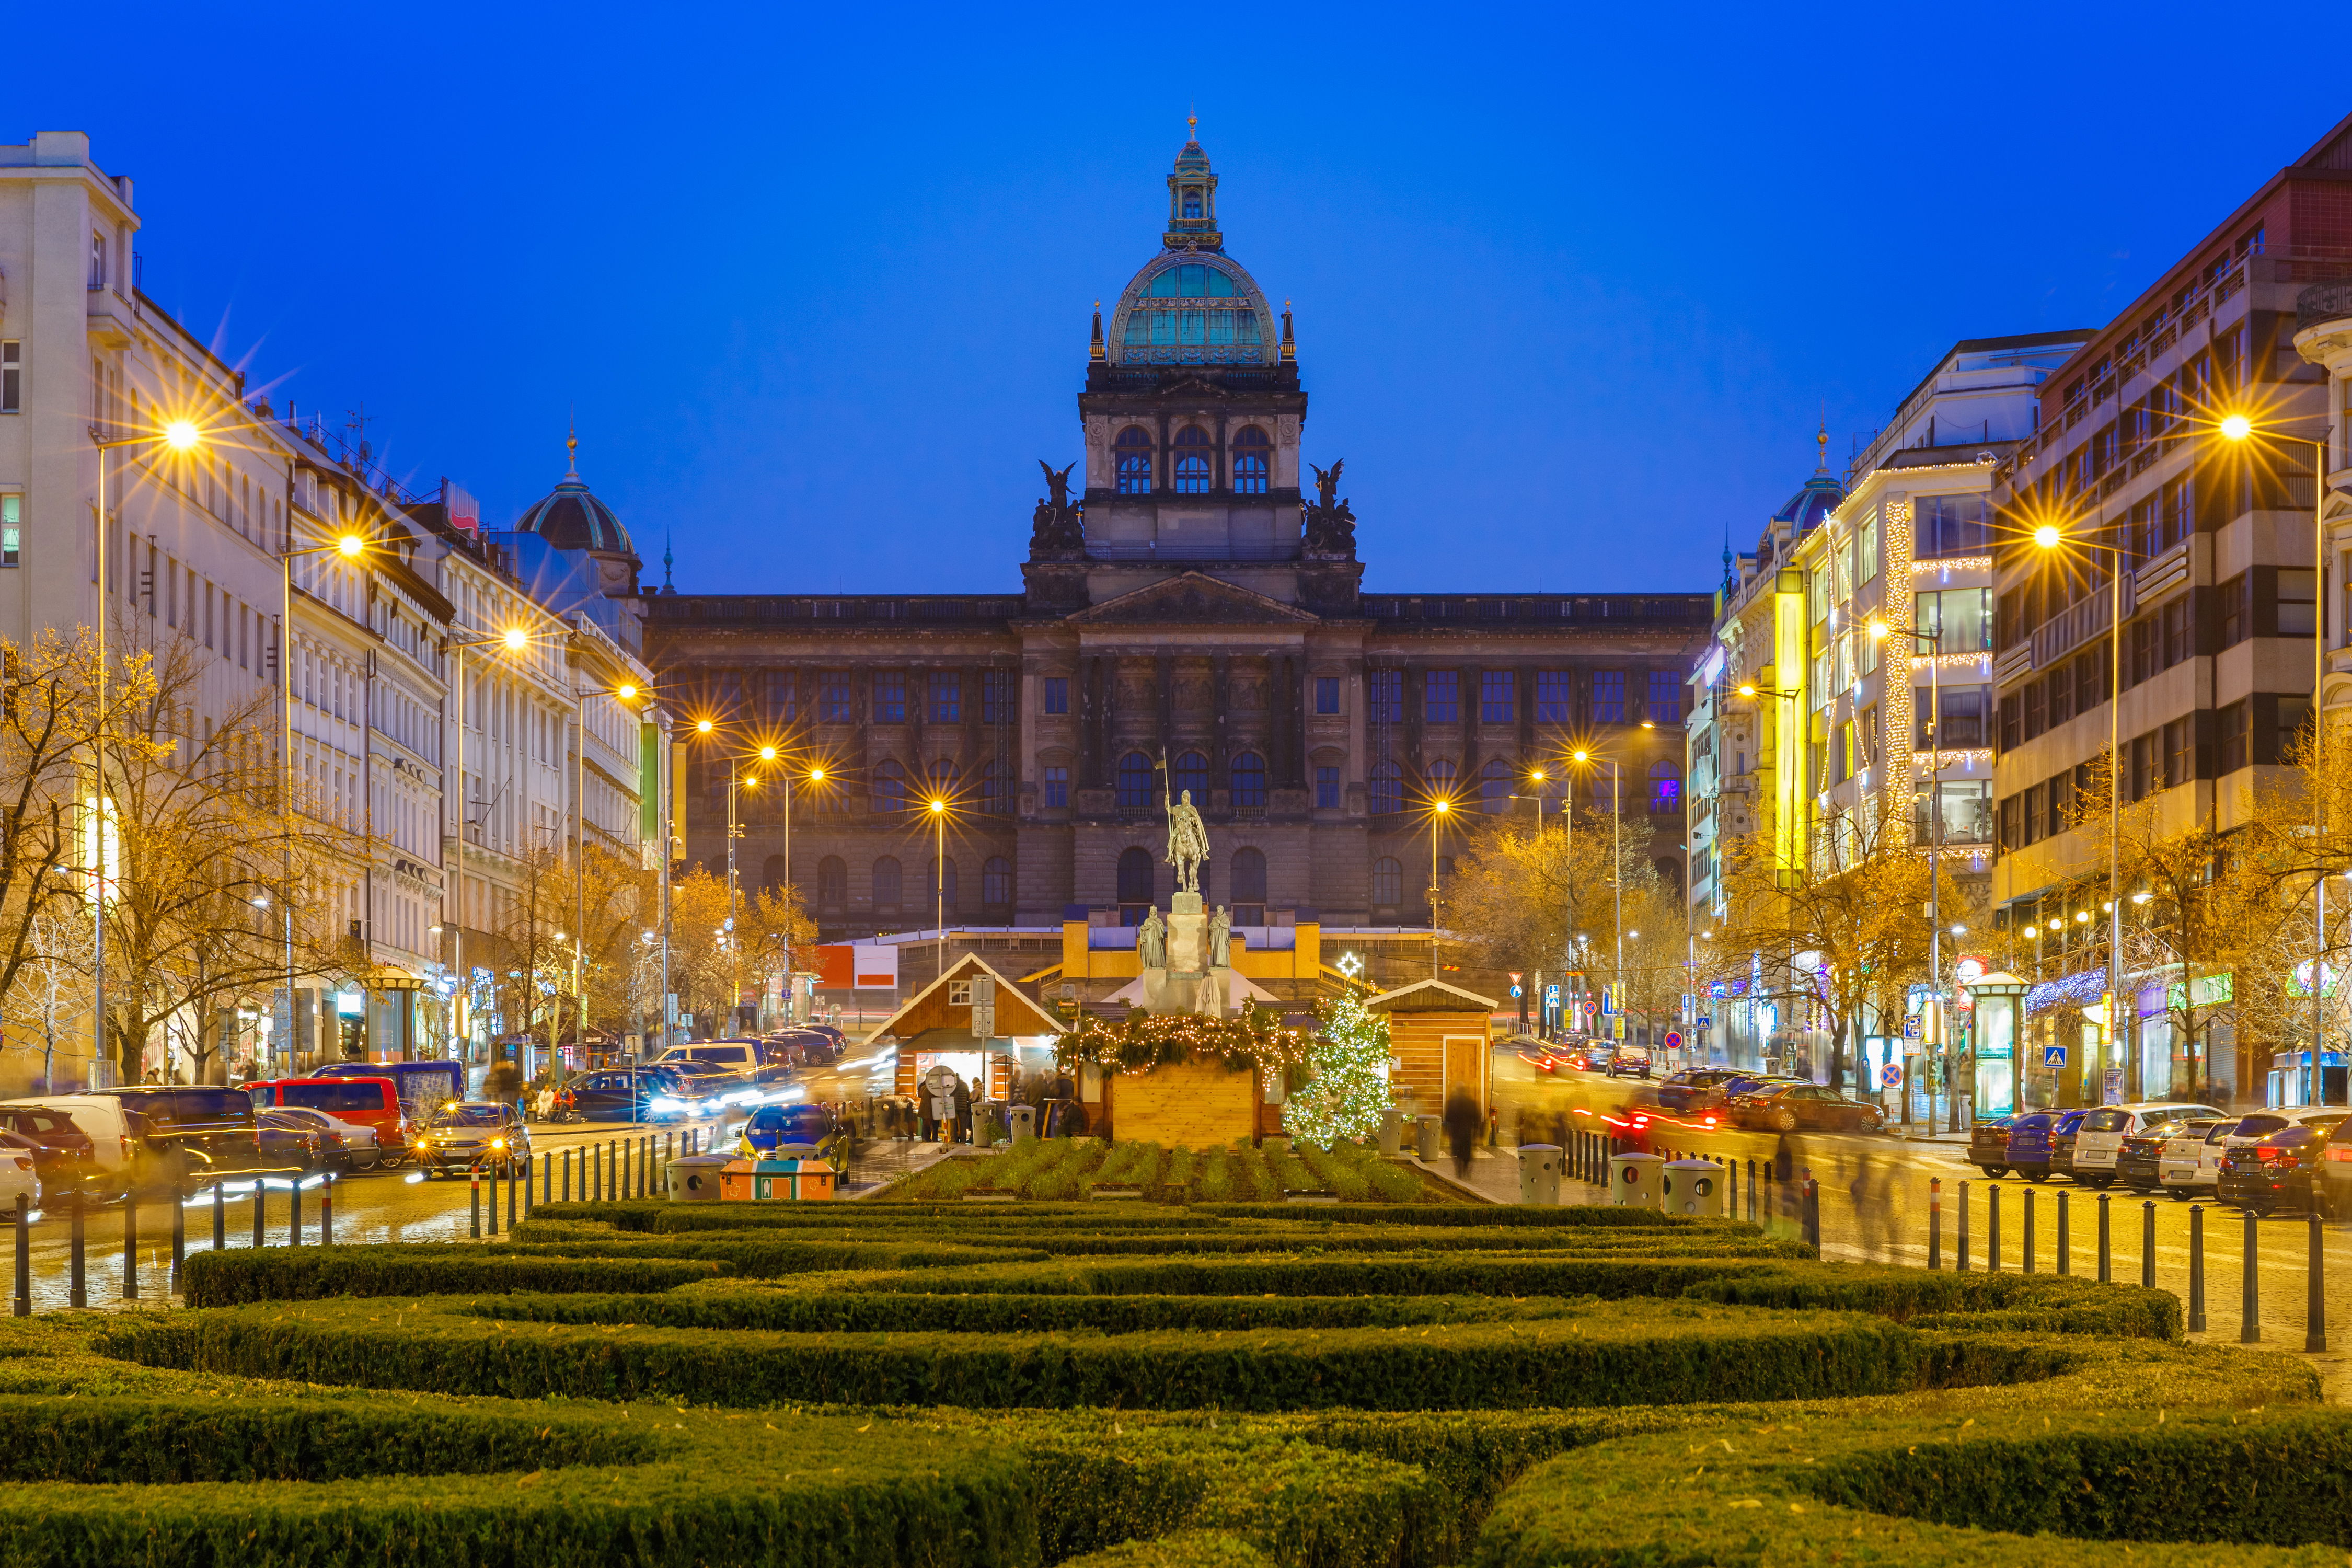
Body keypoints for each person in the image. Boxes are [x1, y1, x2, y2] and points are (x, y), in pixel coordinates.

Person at [1442, 1086, 1480, 1178]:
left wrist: (1446, 1130)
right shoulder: (1471, 1102)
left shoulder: (1452, 1102)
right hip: (1467, 1130)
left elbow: (1448, 1117)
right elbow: (1477, 1118)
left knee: (1456, 1150)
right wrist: (1476, 1132)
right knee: (1467, 1151)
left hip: (1456, 1130)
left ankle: (1459, 1170)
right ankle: (1466, 1169)